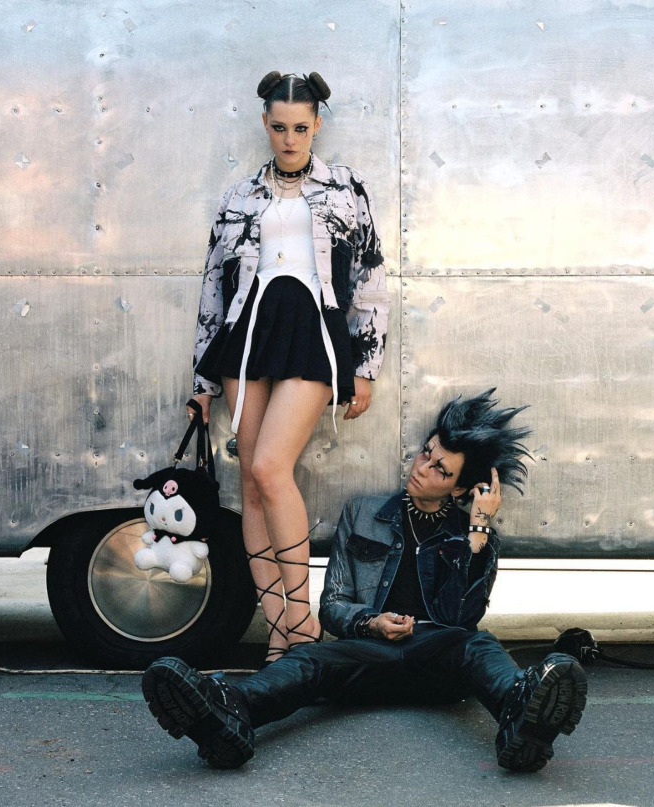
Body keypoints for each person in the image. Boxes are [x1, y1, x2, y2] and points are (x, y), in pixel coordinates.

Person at [142, 390, 588, 773]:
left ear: (460, 489)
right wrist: (372, 623)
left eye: (441, 469)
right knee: (308, 659)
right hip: (366, 656)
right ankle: (227, 712)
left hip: (439, 668)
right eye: (426, 453)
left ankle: (522, 719)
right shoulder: (362, 513)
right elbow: (333, 607)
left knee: (479, 644)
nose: (422, 466)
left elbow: (461, 619)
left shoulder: (472, 534)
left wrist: (477, 532)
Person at [188, 72, 388, 664]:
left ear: (317, 124)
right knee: (250, 482)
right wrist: (201, 383)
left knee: (271, 467)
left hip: (312, 335)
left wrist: (366, 366)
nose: (290, 139)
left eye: (301, 128)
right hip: (246, 334)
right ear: (265, 125)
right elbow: (213, 289)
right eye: (279, 128)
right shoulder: (239, 196)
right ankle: (281, 629)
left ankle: (301, 618)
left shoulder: (346, 188)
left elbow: (370, 281)